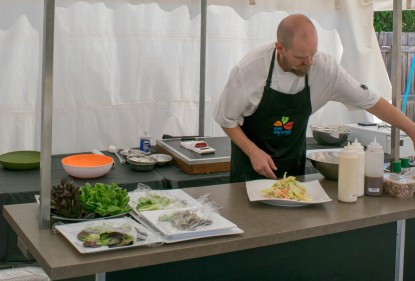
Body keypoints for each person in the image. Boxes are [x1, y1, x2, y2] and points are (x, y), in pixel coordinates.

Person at [213, 13, 415, 183]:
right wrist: (253, 152)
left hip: (294, 170)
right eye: (301, 57)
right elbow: (226, 119)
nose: (309, 62)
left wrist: (410, 128)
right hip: (249, 170)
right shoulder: (249, 71)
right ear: (280, 48)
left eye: (313, 53)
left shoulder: (324, 70)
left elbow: (371, 101)